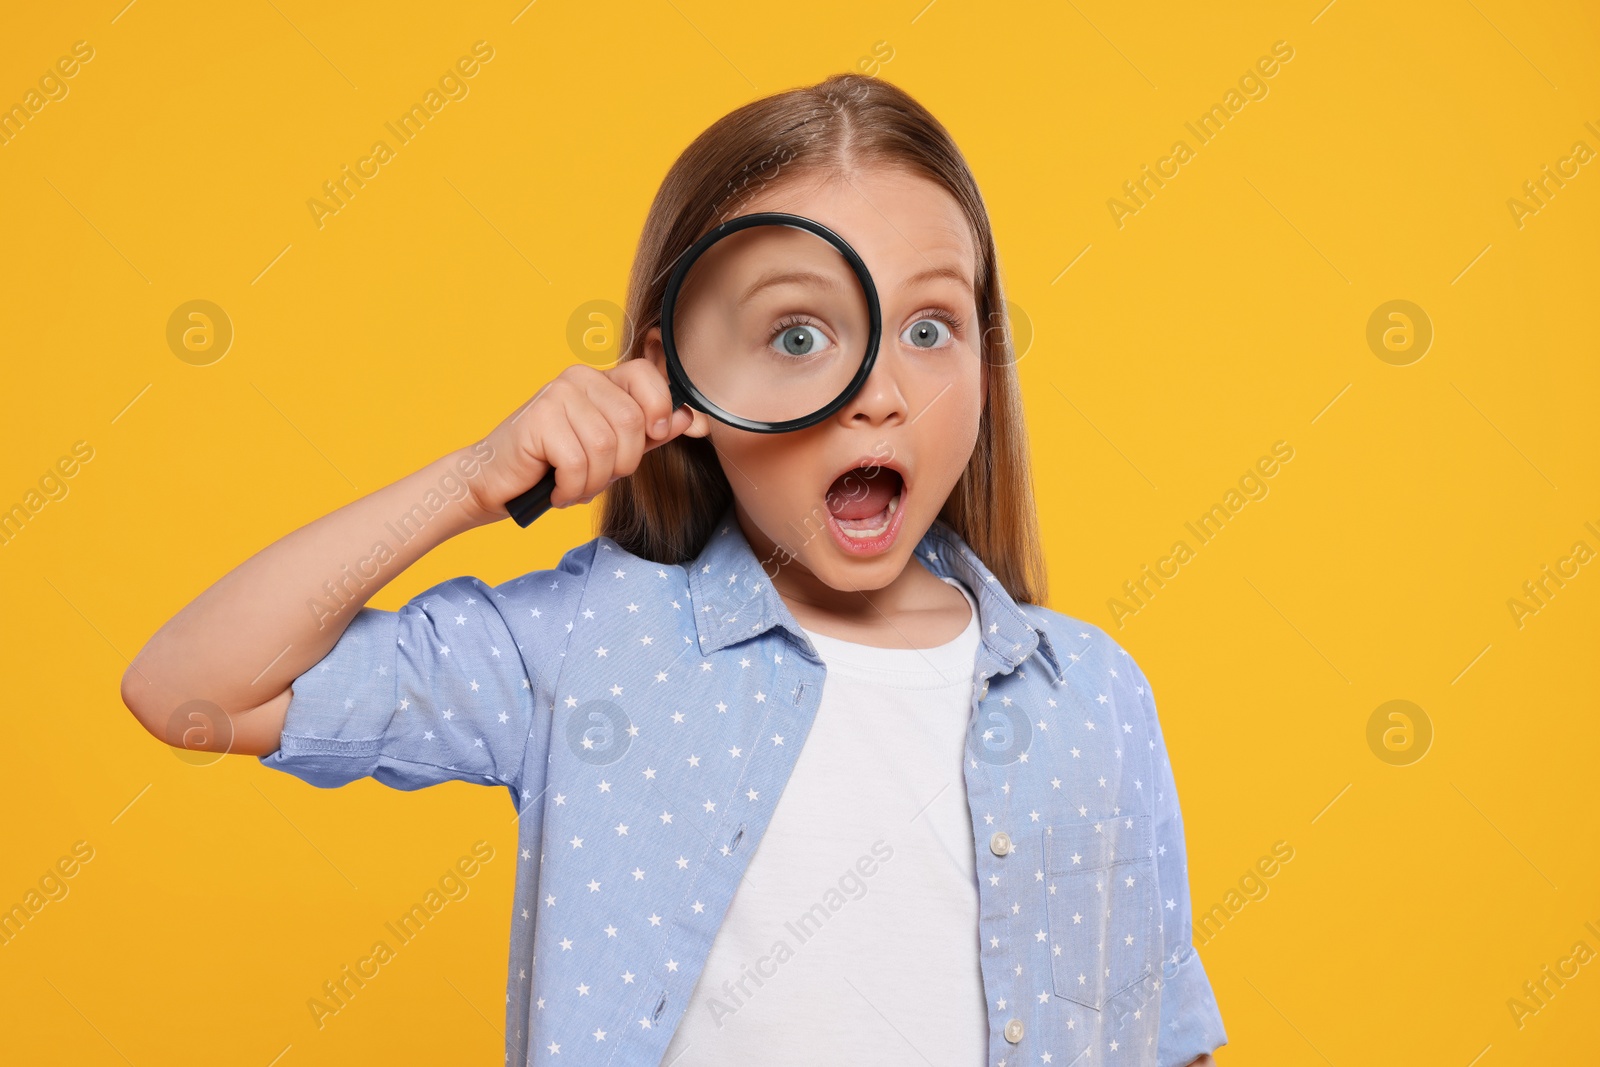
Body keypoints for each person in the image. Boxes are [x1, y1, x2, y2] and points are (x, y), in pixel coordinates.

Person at [123, 72, 1226, 1067]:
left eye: (930, 326)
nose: (880, 391)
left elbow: (1163, 1039)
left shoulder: (1092, 696)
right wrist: (470, 481)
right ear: (678, 383)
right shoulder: (593, 644)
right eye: (799, 335)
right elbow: (190, 689)